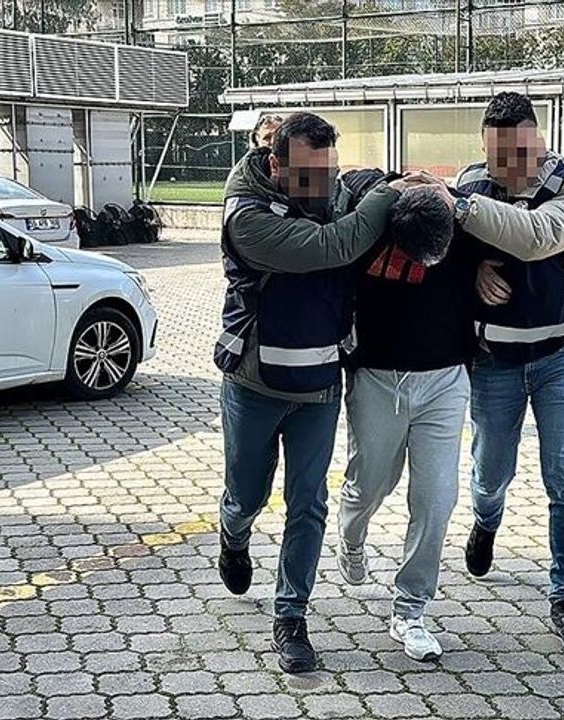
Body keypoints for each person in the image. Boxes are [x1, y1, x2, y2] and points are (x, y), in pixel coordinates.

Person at [214, 112, 415, 674]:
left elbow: (362, 189)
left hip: (320, 382)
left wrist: (399, 183)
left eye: (328, 172)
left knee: (308, 503)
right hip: (254, 384)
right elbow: (334, 245)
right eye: (307, 175)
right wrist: (383, 197)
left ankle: (291, 616)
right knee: (247, 495)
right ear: (275, 164)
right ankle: (233, 532)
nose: (321, 186)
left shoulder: (332, 189)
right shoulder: (247, 216)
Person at [449, 91, 564, 657]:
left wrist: (463, 209)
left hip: (562, 357)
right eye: (495, 158)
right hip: (494, 361)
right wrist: (471, 273)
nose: (506, 169)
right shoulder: (471, 183)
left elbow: (537, 237)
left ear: (538, 141)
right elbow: (447, 258)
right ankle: (486, 522)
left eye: (517, 155)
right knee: (490, 473)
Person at [333, 174, 473, 662]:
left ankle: (411, 610)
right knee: (371, 482)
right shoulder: (371, 222)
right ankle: (351, 537)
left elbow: (519, 238)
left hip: (445, 380)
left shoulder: (462, 224)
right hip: (377, 378)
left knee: (436, 497)